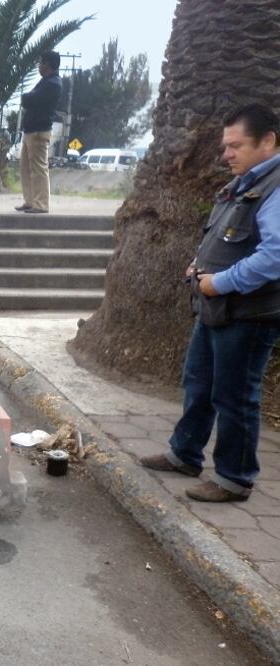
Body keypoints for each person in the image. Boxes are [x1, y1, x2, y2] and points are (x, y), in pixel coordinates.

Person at [139, 104, 280, 503]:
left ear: (267, 141)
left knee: (235, 395)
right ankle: (184, 454)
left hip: (247, 314)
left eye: (236, 145)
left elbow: (275, 255)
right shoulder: (246, 182)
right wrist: (199, 266)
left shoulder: (275, 185)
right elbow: (230, 236)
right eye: (226, 145)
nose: (226, 154)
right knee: (198, 383)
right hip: (216, 306)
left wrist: (221, 281)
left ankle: (234, 478)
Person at [16, 51, 62, 214]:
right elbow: (29, 98)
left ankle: (41, 204)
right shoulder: (45, 81)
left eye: (41, 63)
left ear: (47, 64)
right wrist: (27, 97)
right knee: (26, 168)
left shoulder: (52, 84)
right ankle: (30, 200)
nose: (38, 66)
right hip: (31, 131)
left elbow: (30, 99)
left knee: (38, 169)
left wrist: (26, 98)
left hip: (39, 131)